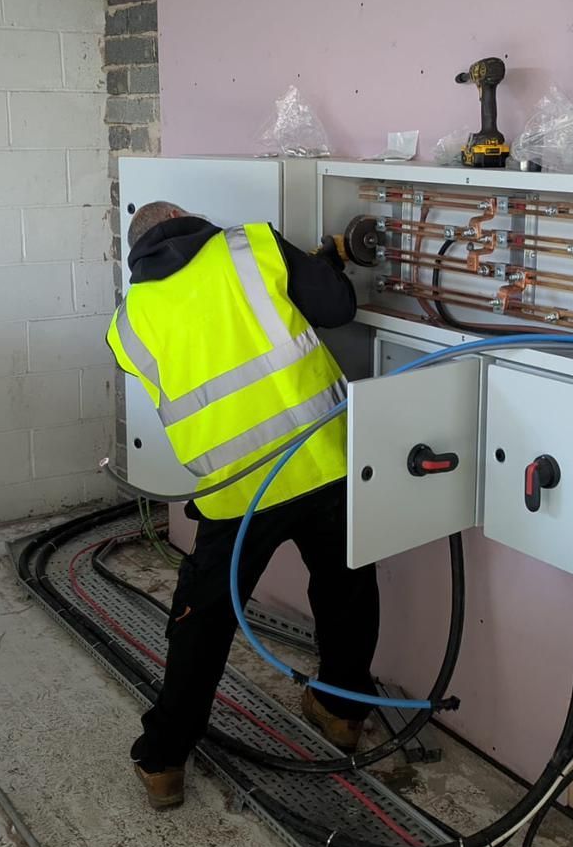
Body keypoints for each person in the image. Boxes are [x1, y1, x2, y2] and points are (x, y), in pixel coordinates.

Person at [106, 200, 380, 809]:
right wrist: (316, 267)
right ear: (191, 221)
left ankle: (163, 761)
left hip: (237, 493)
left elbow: (191, 354)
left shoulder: (128, 321)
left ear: (138, 255)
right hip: (323, 459)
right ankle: (341, 712)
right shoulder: (251, 246)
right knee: (346, 589)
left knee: (203, 623)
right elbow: (338, 308)